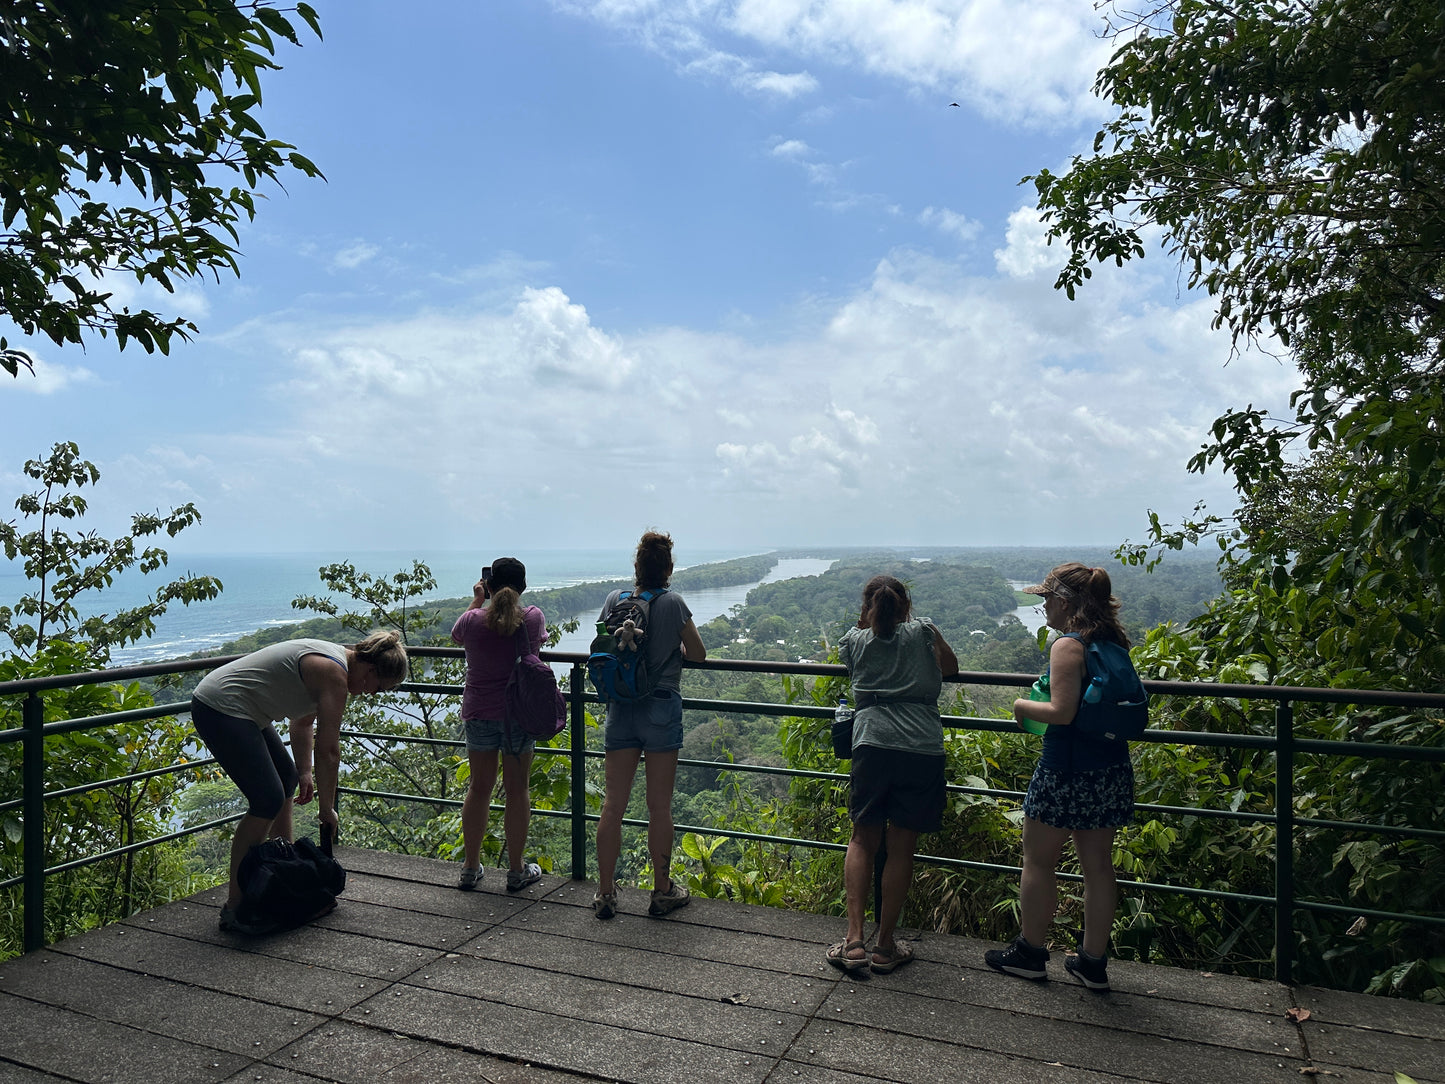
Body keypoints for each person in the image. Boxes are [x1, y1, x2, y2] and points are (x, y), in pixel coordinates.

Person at [191, 630, 409, 933]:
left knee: (286, 778)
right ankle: (236, 906)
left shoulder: (336, 661)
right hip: (220, 706)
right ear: (371, 670)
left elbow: (303, 720)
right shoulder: (334, 674)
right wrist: (327, 808)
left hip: (244, 710)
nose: (372, 693)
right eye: (378, 687)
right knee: (266, 799)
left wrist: (305, 771)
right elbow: (329, 750)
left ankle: (281, 873)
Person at [985, 562, 1135, 992]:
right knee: (1098, 868)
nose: (1044, 607)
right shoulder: (1111, 641)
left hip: (1065, 770)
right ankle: (1092, 963)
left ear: (1066, 602)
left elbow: (1061, 712)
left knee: (1038, 861)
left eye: (1047, 598)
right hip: (1108, 769)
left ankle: (1031, 953)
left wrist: (1019, 706)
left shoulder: (1068, 645)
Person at [826, 575, 959, 974]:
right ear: (906, 605)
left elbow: (856, 663)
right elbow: (951, 668)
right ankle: (884, 947)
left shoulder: (853, 640)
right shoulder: (924, 632)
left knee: (862, 838)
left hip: (871, 745)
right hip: (921, 747)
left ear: (867, 608)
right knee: (901, 846)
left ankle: (853, 942)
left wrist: (869, 624)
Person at [593, 530, 707, 920]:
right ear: (669, 569)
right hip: (660, 708)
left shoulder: (615, 600)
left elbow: (604, 646)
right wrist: (671, 648)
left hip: (620, 708)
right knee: (659, 807)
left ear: (636, 567)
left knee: (613, 805)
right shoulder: (673, 603)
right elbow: (699, 654)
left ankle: (605, 893)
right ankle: (662, 891)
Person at [450, 557, 548, 893]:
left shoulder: (472, 620)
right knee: (517, 790)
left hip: (478, 712)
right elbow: (539, 643)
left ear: (489, 585)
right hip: (518, 715)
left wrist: (478, 598)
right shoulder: (532, 617)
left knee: (479, 788)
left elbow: (456, 635)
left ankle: (470, 866)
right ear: (523, 586)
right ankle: (517, 870)